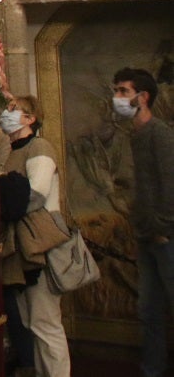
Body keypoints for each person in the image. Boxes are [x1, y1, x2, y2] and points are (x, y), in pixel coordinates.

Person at [0, 94, 71, 377]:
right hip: (23, 246)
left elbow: (37, 194)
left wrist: (7, 210)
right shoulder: (13, 151)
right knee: (32, 322)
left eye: (14, 109)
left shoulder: (39, 146)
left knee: (45, 322)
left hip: (41, 244)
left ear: (30, 119)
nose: (8, 113)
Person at [114, 66, 174, 377]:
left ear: (143, 96)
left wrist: (163, 228)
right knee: (148, 310)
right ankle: (153, 369)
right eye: (117, 91)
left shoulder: (159, 133)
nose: (118, 97)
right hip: (146, 235)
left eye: (123, 91)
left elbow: (170, 184)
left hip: (165, 237)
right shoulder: (134, 135)